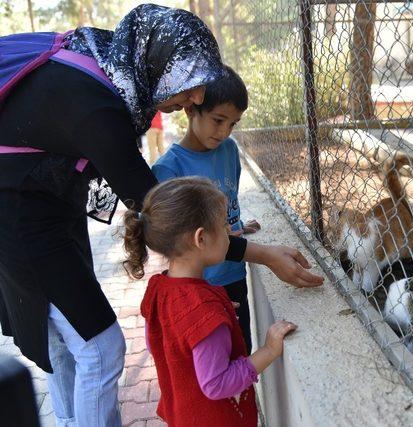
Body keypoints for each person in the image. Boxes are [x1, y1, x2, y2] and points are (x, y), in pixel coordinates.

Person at [0, 5, 322, 426]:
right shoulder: (96, 110)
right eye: (189, 83)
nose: (197, 99)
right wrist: (263, 254)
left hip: (48, 201)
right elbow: (172, 214)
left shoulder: (109, 63)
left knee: (64, 341)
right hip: (19, 214)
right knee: (99, 347)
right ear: (160, 64)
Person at [123, 177, 296, 427]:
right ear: (200, 238)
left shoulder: (158, 288)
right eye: (224, 224)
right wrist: (268, 350)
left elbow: (158, 343)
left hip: (182, 415)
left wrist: (213, 318)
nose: (229, 231)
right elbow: (216, 384)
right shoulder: (203, 309)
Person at [153, 66, 258, 351]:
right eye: (218, 120)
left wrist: (236, 227)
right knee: (211, 368)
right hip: (200, 286)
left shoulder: (229, 150)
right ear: (190, 109)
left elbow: (228, 201)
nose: (224, 132)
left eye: (233, 123)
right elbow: (170, 240)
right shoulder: (168, 170)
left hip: (235, 274)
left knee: (241, 351)